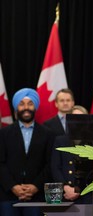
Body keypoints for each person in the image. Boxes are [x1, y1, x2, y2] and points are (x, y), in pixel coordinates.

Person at [0, 88, 54, 216]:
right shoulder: (3, 133)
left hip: (37, 196)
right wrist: (13, 187)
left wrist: (35, 186)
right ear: (16, 108)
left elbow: (50, 163)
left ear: (35, 107)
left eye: (30, 104)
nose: (26, 107)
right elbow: (0, 163)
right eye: (22, 104)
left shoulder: (48, 134)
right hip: (8, 196)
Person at [51, 105, 92, 204]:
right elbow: (55, 167)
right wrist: (65, 187)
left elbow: (92, 171)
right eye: (74, 118)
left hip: (86, 194)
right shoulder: (60, 140)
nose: (78, 122)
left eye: (81, 119)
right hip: (65, 194)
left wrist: (78, 190)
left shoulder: (92, 142)